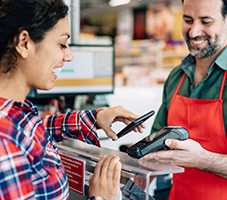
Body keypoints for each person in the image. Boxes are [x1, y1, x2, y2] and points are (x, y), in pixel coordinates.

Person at [0, 0, 144, 199]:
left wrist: (94, 118)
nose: (68, 56)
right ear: (24, 43)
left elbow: (32, 130)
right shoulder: (5, 142)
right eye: (62, 44)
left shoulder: (17, 110)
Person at [141, 0, 227, 199]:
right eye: (188, 20)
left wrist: (203, 160)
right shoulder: (176, 77)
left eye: (206, 21)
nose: (194, 32)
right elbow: (158, 145)